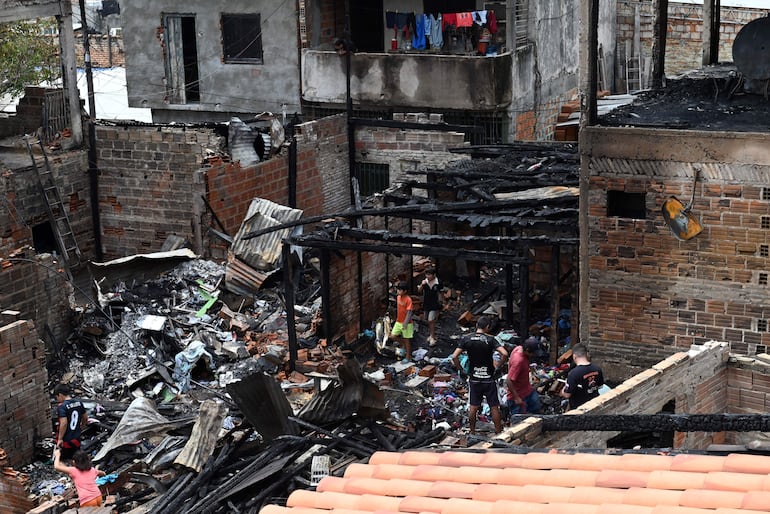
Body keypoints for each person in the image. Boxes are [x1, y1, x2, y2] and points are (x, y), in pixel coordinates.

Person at [451, 316, 509, 434]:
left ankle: (472, 431)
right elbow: (505, 353)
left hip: (474, 378)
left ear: (477, 325)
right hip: (488, 378)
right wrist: (498, 366)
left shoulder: (466, 339)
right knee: (494, 406)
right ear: (487, 327)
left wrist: (460, 369)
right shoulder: (491, 339)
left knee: (473, 407)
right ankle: (498, 432)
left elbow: (454, 356)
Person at [561, 343, 604, 410]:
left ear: (574, 356)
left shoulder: (573, 374)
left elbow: (567, 395)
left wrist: (564, 388)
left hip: (580, 409)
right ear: (586, 355)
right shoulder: (597, 369)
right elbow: (600, 386)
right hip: (594, 405)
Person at [506, 336, 542, 416]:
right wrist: (516, 397)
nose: (533, 355)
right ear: (527, 350)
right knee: (519, 421)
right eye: (533, 353)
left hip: (527, 390)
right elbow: (509, 380)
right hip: (519, 395)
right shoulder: (519, 361)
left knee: (537, 412)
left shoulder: (519, 348)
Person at [53, 383, 87, 462]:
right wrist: (82, 426)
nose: (57, 400)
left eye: (57, 397)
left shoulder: (62, 407)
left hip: (67, 440)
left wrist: (60, 439)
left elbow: (63, 423)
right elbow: (85, 418)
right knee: (76, 460)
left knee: (65, 462)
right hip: (77, 438)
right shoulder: (79, 403)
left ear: (60, 395)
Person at [389, 281, 414, 361]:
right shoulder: (398, 297)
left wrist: (405, 323)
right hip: (398, 321)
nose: (398, 291)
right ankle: (403, 343)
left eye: (400, 290)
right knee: (393, 336)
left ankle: (408, 356)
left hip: (407, 323)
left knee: (407, 339)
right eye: (398, 290)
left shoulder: (408, 300)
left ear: (405, 291)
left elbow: (409, 312)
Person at [417, 267, 441, 346]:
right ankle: (431, 334)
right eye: (427, 274)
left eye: (429, 275)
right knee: (427, 319)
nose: (428, 276)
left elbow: (441, 293)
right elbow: (419, 291)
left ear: (434, 275)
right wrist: (422, 284)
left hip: (434, 304)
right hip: (426, 304)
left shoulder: (438, 282)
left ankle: (432, 337)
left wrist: (442, 303)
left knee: (431, 320)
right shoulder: (425, 282)